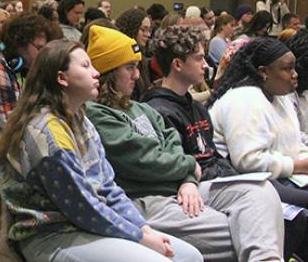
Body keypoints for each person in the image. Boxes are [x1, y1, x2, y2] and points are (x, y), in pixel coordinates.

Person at [84, 25, 282, 261]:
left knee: (260, 192)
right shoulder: (97, 114)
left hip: (183, 187)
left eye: (136, 67)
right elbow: (144, 159)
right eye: (129, 68)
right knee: (247, 231)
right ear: (109, 71)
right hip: (146, 199)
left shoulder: (142, 108)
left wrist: (187, 180)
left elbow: (173, 144)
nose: (137, 75)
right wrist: (188, 167)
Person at [0, 39, 202, 262]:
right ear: (62, 78)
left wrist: (144, 228)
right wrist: (139, 236)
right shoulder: (47, 133)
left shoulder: (82, 121)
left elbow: (108, 188)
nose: (96, 73)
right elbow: (84, 208)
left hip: (89, 226)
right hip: (52, 235)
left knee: (190, 256)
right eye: (85, 66)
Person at [144, 25, 294, 259]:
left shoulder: (196, 108)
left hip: (216, 181)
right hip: (188, 190)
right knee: (256, 216)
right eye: (199, 58)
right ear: (177, 65)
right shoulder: (158, 111)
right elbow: (176, 167)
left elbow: (211, 155)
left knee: (264, 195)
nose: (206, 65)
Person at [209, 37, 308, 205]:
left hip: (284, 176)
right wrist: (298, 165)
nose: (295, 74)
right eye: (287, 69)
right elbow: (248, 161)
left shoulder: (279, 95)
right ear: (264, 72)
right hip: (246, 182)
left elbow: (294, 139)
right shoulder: (244, 99)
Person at [0, 13, 53, 146]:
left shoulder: (17, 67)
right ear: (20, 43)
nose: (42, 54)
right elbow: (10, 123)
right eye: (39, 48)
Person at [115, 8, 152, 100]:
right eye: (143, 30)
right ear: (131, 29)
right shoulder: (118, 57)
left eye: (149, 30)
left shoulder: (142, 58)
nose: (148, 34)